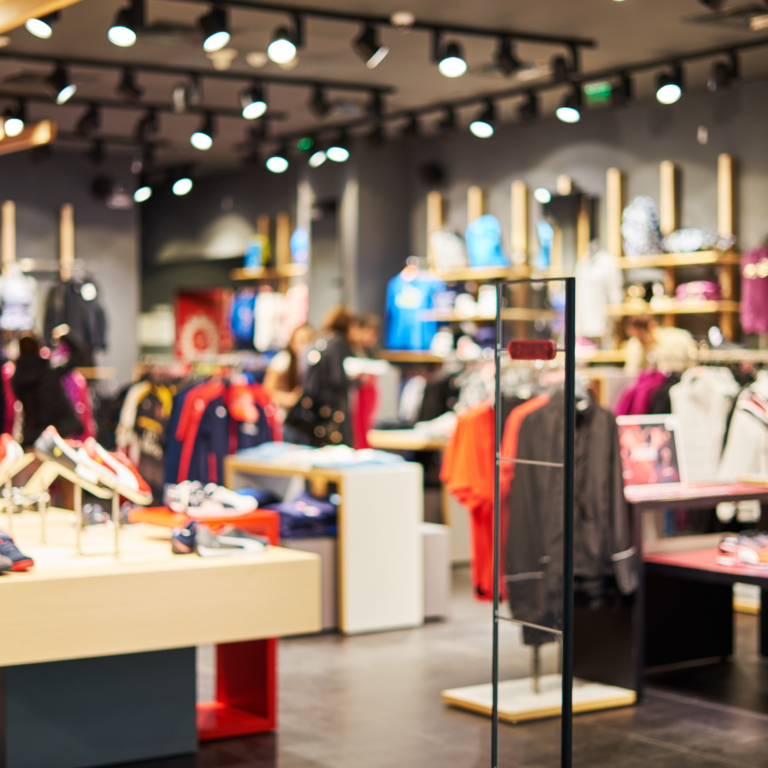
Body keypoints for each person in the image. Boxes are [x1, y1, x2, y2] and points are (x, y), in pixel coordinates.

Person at [286, 306, 355, 446]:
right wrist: (357, 381)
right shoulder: (337, 342)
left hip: (315, 407)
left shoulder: (322, 341)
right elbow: (337, 378)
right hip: (328, 407)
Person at [11, 330, 82, 447]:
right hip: (58, 432)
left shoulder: (16, 378)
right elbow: (78, 356)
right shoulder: (50, 371)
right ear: (38, 348)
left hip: (33, 436)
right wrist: (65, 335)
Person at [624, 315, 695, 374]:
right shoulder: (636, 345)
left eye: (641, 336)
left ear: (651, 327)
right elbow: (630, 373)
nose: (639, 341)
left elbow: (690, 367)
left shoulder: (676, 340)